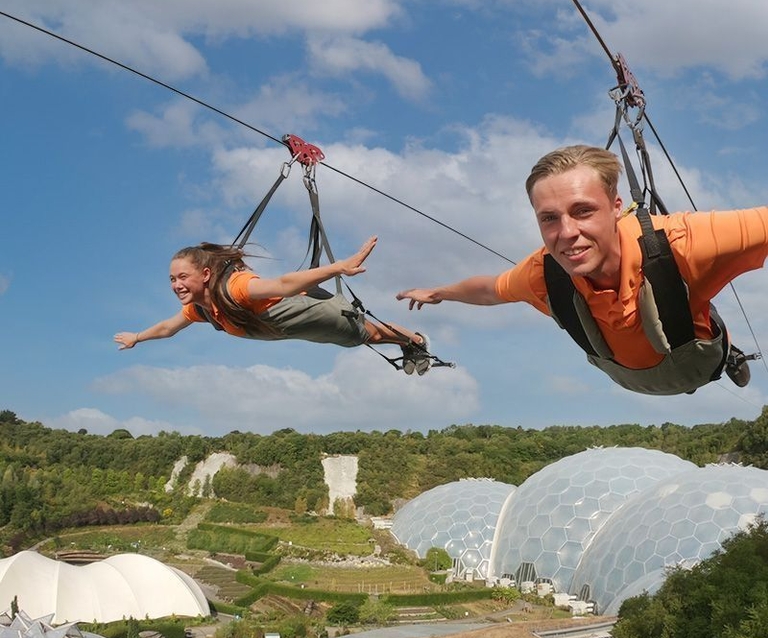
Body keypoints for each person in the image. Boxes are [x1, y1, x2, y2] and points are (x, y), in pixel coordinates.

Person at [397, 144, 768, 395]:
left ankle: (730, 352)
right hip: (629, 375)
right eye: (549, 219)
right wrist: (440, 293)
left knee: (673, 294)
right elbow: (492, 289)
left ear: (616, 206)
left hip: (697, 361)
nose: (567, 233)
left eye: (583, 211)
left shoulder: (683, 241)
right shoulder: (545, 273)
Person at [115, 235, 432, 375]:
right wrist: (138, 338)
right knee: (361, 339)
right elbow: (169, 327)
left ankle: (415, 341)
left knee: (368, 335)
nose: (176, 285)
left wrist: (339, 268)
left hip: (298, 311)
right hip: (289, 328)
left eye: (182, 277)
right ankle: (409, 342)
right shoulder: (199, 310)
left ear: (206, 274)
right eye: (172, 280)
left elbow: (282, 284)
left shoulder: (236, 288)